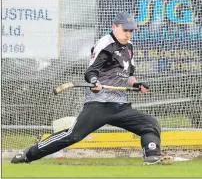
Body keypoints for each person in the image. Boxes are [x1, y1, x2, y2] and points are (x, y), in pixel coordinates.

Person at [11, 11, 174, 165]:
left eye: (131, 31)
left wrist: (136, 84)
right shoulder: (105, 45)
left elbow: (129, 74)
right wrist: (95, 82)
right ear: (114, 26)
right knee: (72, 135)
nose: (128, 34)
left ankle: (152, 156)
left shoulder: (129, 47)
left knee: (150, 124)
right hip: (99, 104)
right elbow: (91, 72)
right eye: (125, 30)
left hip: (120, 105)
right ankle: (27, 154)